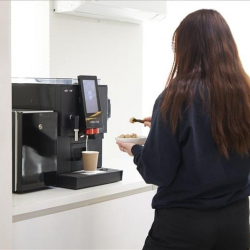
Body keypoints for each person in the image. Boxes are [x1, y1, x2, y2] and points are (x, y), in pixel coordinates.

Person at [117, 9, 250, 250]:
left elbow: (158, 172)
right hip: (237, 222)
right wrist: (162, 124)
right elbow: (218, 133)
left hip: (183, 226)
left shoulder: (175, 98)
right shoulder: (245, 94)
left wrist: (136, 150)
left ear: (185, 48)